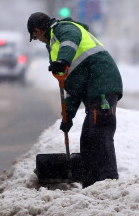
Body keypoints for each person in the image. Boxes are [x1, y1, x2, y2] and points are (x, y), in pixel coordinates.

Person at [27, 12, 123, 188]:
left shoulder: (63, 29)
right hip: (92, 88)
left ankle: (109, 183)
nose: (38, 40)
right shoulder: (55, 45)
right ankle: (92, 184)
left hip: (102, 83)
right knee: (87, 140)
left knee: (100, 134)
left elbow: (72, 38)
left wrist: (63, 60)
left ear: (38, 30)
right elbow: (71, 87)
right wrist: (67, 116)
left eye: (35, 36)